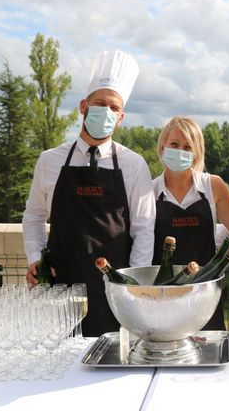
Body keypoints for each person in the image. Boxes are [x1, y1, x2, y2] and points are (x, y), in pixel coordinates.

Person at [23, 50, 156, 337]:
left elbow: (144, 231)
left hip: (115, 293)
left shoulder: (134, 164)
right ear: (83, 106)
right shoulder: (50, 160)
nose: (105, 112)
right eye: (99, 104)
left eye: (113, 107)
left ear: (120, 118)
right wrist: (35, 257)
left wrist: (132, 287)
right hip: (61, 290)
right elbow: (34, 215)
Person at [153, 115, 229, 330]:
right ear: (162, 147)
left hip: (205, 290)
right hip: (164, 292)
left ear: (196, 152)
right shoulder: (150, 191)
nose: (181, 150)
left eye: (188, 147)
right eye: (174, 144)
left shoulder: (212, 185)